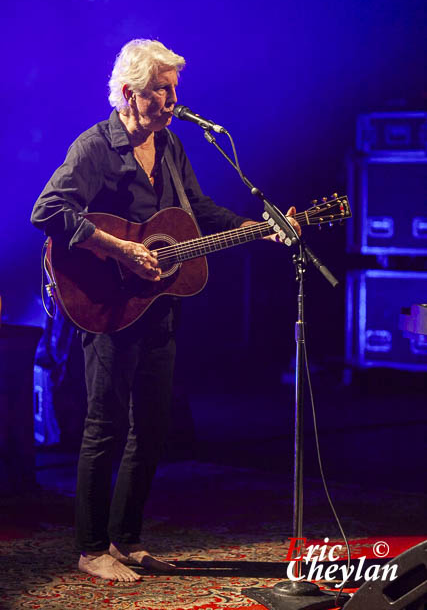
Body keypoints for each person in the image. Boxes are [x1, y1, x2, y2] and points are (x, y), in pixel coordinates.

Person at [31, 39, 300, 582]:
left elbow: (194, 209)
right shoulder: (95, 147)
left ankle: (126, 540)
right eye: (163, 88)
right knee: (103, 425)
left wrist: (255, 227)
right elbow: (48, 210)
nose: (174, 98)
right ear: (131, 93)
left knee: (151, 426)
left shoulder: (171, 145)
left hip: (155, 305)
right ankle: (90, 547)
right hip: (104, 300)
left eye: (175, 88)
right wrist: (119, 247)